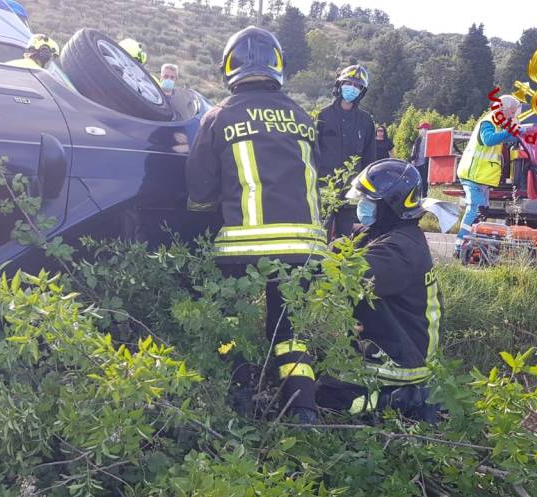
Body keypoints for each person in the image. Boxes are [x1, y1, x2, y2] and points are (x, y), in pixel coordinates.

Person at [186, 26, 326, 424]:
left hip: (242, 247)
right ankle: (303, 413)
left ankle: (240, 404)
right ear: (278, 65)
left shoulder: (218, 116)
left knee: (232, 321)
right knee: (288, 331)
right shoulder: (301, 116)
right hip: (304, 246)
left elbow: (198, 189)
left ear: (229, 66)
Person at [316, 159, 442, 420]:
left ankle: (402, 399)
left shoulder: (399, 251)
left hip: (401, 359)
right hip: (391, 342)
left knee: (328, 399)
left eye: (369, 201)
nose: (362, 206)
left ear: (391, 205)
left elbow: (345, 275)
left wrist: (317, 257)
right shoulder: (389, 232)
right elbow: (351, 236)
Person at [454, 95, 521, 257]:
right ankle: (459, 244)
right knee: (475, 207)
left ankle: (473, 245)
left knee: (482, 211)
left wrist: (520, 133)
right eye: (511, 112)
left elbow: (507, 138)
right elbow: (488, 140)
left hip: (481, 177)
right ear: (503, 109)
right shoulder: (489, 121)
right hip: (472, 175)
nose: (513, 116)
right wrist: (509, 132)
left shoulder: (498, 124)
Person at [316, 64, 377, 239]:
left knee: (344, 239)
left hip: (350, 191)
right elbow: (312, 153)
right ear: (339, 85)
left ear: (362, 91)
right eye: (348, 83)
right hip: (324, 188)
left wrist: (367, 191)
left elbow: (369, 159)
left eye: (357, 86)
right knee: (320, 235)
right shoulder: (322, 116)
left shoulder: (365, 121)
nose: (352, 88)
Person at [410, 121, 431, 195]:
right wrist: (412, 160)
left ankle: (424, 196)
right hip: (416, 164)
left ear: (426, 129)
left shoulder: (430, 140)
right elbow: (414, 151)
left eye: (421, 129)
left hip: (425, 164)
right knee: (416, 182)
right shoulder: (418, 139)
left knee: (424, 182)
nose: (419, 130)